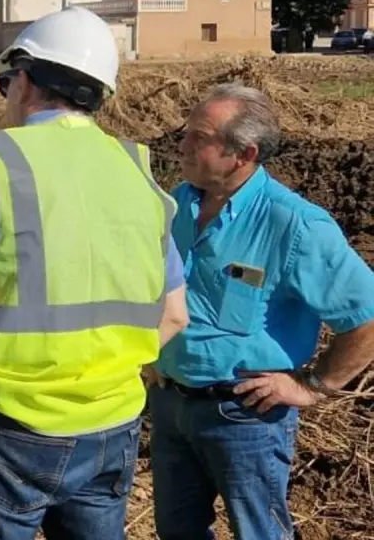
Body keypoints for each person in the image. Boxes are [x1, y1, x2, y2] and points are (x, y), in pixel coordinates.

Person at [0, 6, 190, 539]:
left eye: (6, 83)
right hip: (113, 425)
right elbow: (175, 315)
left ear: (24, 80)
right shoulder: (135, 168)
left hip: (10, 421)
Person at [149, 83, 374, 539]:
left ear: (243, 154)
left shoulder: (295, 225)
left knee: (258, 532)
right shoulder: (177, 205)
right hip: (169, 404)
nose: (182, 145)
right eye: (186, 132)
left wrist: (312, 386)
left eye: (199, 137)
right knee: (176, 529)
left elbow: (366, 317)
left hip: (245, 415)